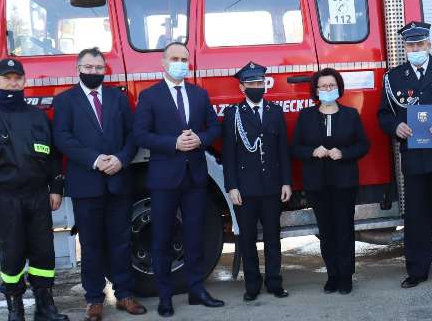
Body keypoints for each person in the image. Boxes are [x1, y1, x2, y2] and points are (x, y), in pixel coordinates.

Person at [0, 58, 69, 321]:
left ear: (24, 81)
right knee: (11, 254)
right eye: (7, 78)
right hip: (5, 199)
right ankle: (16, 309)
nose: (13, 83)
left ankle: (45, 307)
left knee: (43, 252)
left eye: (17, 78)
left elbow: (53, 155)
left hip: (38, 197)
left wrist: (55, 188)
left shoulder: (37, 117)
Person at [52, 48, 146, 320]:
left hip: (118, 180)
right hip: (86, 183)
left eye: (98, 68)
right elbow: (62, 138)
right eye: (88, 67)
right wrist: (95, 160)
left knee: (121, 241)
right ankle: (94, 299)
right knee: (91, 244)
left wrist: (122, 159)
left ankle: (124, 295)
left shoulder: (118, 98)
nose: (93, 72)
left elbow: (133, 135)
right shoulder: (65, 101)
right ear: (78, 68)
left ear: (105, 70)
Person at [133, 42, 223, 317]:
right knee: (161, 237)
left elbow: (214, 127)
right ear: (163, 62)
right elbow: (140, 135)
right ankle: (165, 295)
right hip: (164, 179)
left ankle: (196, 290)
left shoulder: (199, 94)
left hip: (194, 176)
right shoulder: (150, 97)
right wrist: (173, 143)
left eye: (184, 59)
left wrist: (200, 139)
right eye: (174, 58)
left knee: (194, 235)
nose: (180, 63)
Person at [377, 21, 432, 289]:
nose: (415, 48)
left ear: (428, 44)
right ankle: (417, 271)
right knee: (416, 218)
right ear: (404, 48)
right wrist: (396, 127)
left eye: (420, 44)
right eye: (410, 45)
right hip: (414, 159)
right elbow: (383, 115)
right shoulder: (393, 78)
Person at [292, 68, 370, 294]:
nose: (327, 89)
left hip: (344, 182)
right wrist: (311, 152)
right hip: (317, 184)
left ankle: (346, 276)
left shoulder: (350, 114)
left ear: (339, 88)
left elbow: (363, 145)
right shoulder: (306, 116)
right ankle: (332, 275)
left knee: (344, 229)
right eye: (323, 86)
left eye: (331, 85)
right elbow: (295, 148)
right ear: (315, 90)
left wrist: (343, 153)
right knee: (326, 231)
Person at [222, 61, 292, 302]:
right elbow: (228, 155)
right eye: (251, 84)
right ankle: (252, 285)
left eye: (260, 82)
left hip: (272, 187)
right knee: (247, 239)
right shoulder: (233, 114)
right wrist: (231, 186)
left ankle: (275, 282)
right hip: (245, 189)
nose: (257, 87)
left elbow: (283, 150)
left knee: (273, 237)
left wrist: (286, 182)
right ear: (242, 88)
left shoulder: (275, 111)